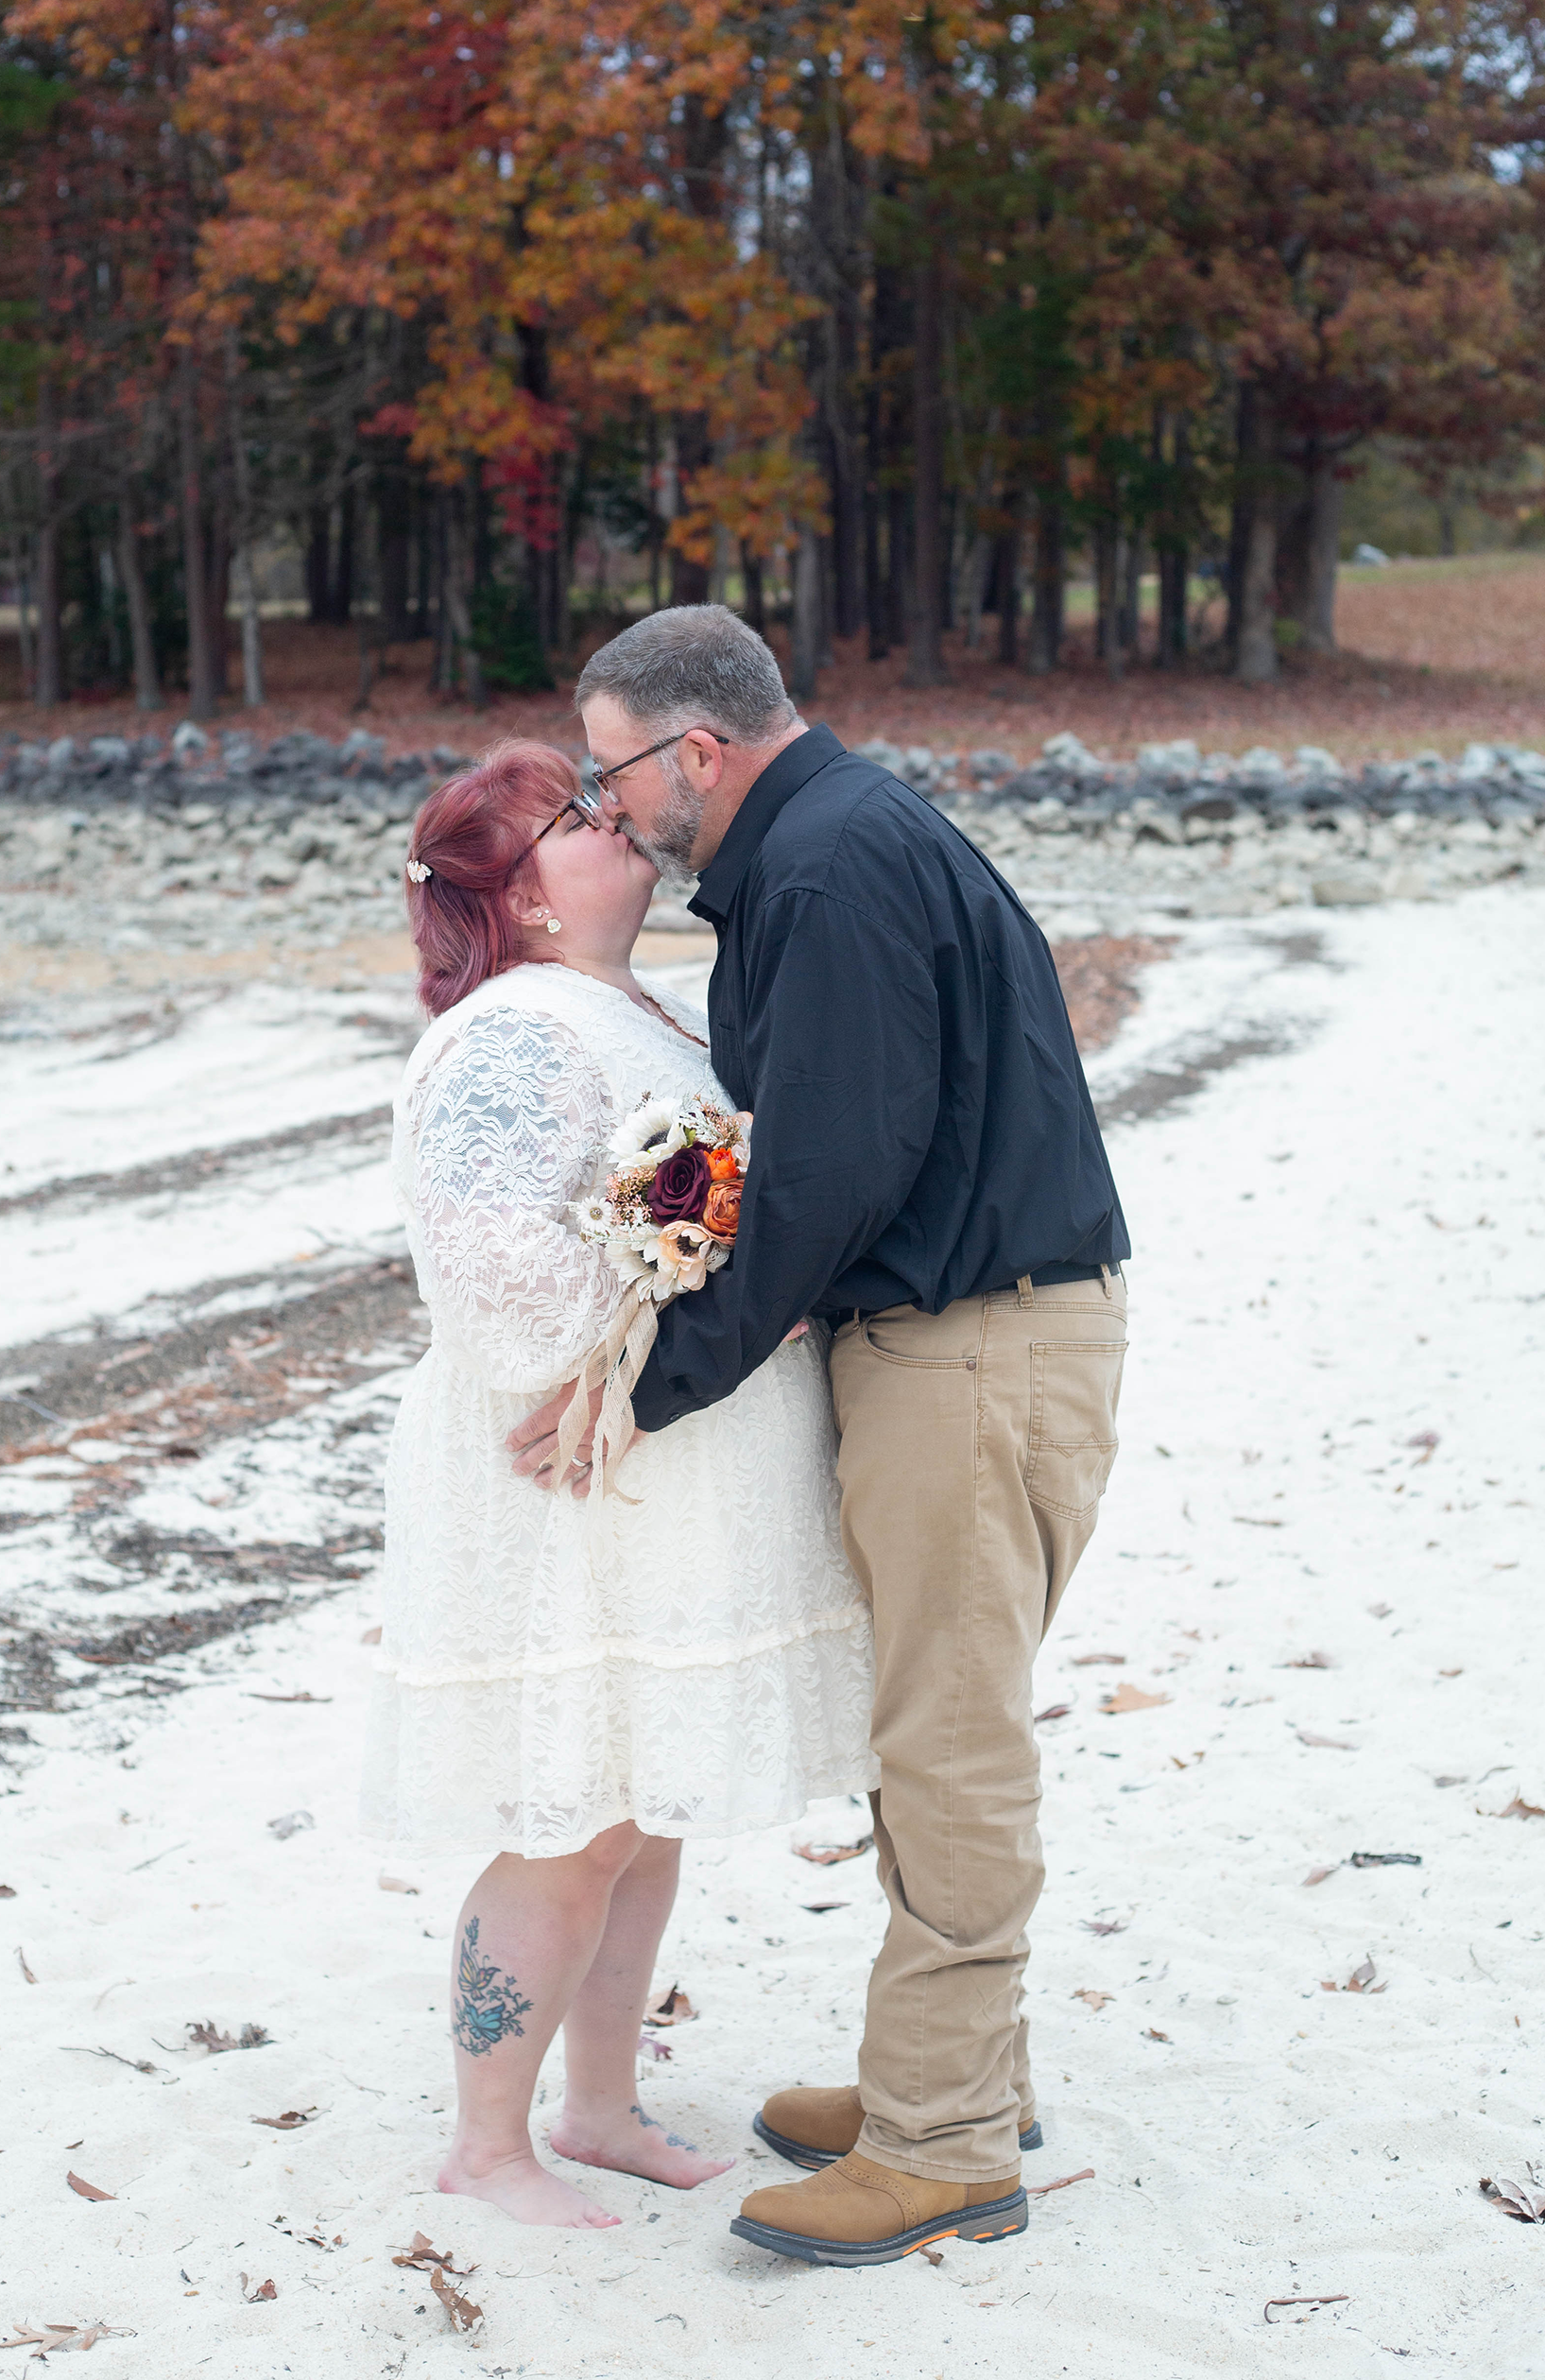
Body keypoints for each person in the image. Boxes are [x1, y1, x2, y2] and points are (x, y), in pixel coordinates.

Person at [508, 607, 1130, 2268]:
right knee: (927, 1724)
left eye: (613, 765)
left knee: (947, 1742)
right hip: (974, 1338)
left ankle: (942, 2147)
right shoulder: (839, 841)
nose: (608, 804)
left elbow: (829, 1170)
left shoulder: (827, 869)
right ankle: (951, 2083)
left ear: (695, 752)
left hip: (973, 1347)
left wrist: (653, 1379)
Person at [364, 738, 875, 2231]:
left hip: (662, 1465)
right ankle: (485, 2144)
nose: (619, 821)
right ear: (520, 898)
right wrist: (662, 1326)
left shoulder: (624, 1006)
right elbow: (497, 1268)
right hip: (572, 1483)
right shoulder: (514, 1031)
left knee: (646, 1806)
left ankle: (595, 2106)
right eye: (576, 816)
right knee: (568, 1815)